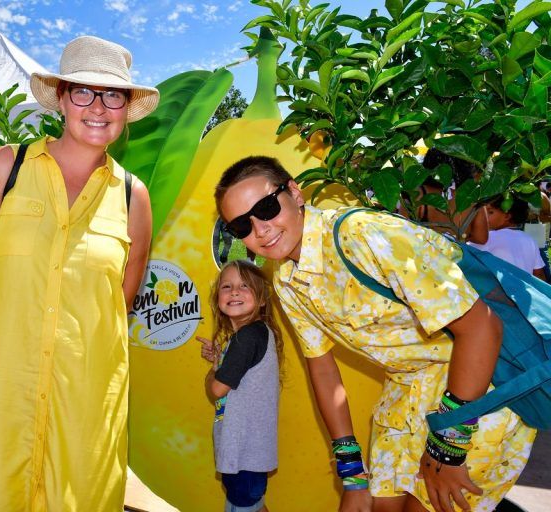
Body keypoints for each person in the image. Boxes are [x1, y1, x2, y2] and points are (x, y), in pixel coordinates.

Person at [214, 156, 536, 512]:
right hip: (404, 394)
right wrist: (351, 473)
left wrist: (449, 444)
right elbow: (322, 369)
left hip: (473, 389)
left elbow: (482, 325)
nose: (259, 230)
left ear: (295, 192)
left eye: (267, 207)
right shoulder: (286, 280)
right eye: (242, 225)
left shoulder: (363, 234)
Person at [0, 35, 158, 511]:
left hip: (85, 399)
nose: (97, 107)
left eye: (112, 95)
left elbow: (121, 298)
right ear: (61, 98)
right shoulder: (7, 167)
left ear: (126, 108)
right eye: (82, 91)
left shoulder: (133, 196)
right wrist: (2, 340)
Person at [197, 260, 283, 512]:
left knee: (243, 505)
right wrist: (218, 361)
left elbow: (217, 389)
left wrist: (211, 375)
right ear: (218, 299)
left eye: (244, 285)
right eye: (227, 286)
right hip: (249, 451)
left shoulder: (247, 337)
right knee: (254, 505)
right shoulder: (252, 335)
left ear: (263, 299)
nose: (234, 291)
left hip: (245, 452)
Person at [403, 148, 488, 244]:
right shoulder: (473, 197)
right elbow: (481, 238)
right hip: (454, 257)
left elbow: (401, 228)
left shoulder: (418, 193)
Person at [470, 197, 547, 282]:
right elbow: (538, 273)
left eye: (490, 212)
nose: (485, 216)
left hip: (498, 293)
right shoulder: (529, 239)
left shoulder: (487, 239)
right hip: (523, 292)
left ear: (507, 216)